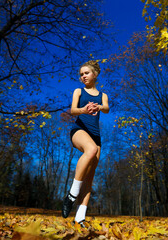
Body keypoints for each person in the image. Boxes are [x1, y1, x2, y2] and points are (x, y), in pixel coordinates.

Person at [62, 60, 109, 227]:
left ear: (95, 74)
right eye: (81, 74)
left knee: (89, 178)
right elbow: (73, 110)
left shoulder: (102, 95)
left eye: (86, 73)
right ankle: (71, 195)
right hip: (79, 130)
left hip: (96, 136)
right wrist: (84, 109)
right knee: (90, 149)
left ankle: (80, 218)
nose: (83, 76)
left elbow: (107, 108)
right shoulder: (78, 91)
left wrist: (99, 107)